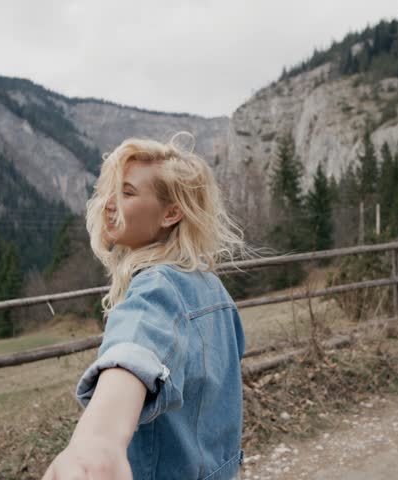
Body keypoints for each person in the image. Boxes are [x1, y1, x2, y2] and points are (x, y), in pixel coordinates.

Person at [42, 132, 258, 480]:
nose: (109, 203)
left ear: (171, 213)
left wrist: (97, 443)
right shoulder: (212, 287)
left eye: (127, 193)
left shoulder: (155, 288)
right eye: (111, 191)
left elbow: (134, 351)